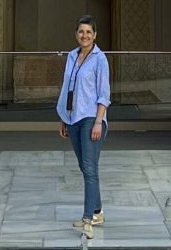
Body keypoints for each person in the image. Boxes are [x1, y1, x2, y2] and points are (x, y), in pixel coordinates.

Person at [57, 15, 111, 240]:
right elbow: (67, 88)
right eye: (81, 32)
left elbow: (103, 93)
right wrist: (63, 118)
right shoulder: (71, 56)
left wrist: (99, 121)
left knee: (90, 169)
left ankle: (88, 218)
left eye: (88, 32)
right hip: (73, 118)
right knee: (85, 166)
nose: (84, 36)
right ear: (76, 34)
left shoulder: (100, 59)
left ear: (95, 35)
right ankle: (98, 211)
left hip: (91, 118)